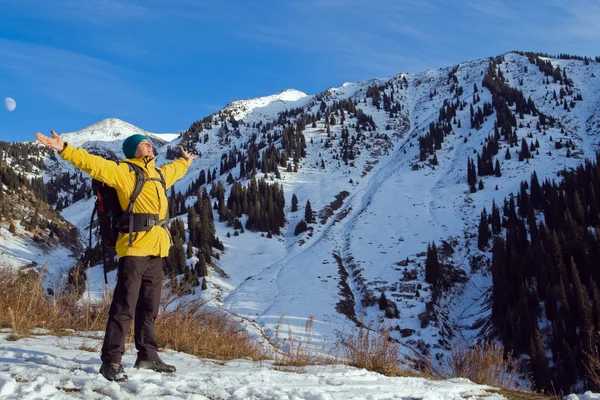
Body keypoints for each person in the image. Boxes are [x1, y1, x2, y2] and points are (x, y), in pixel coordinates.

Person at [35, 130, 196, 382]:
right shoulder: (123, 172)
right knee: (124, 307)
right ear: (133, 151)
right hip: (134, 249)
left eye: (149, 143)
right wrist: (64, 148)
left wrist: (186, 161)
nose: (149, 146)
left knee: (149, 307)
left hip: (157, 249)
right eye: (143, 144)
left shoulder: (158, 174)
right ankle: (110, 361)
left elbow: (175, 169)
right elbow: (92, 163)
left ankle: (148, 356)